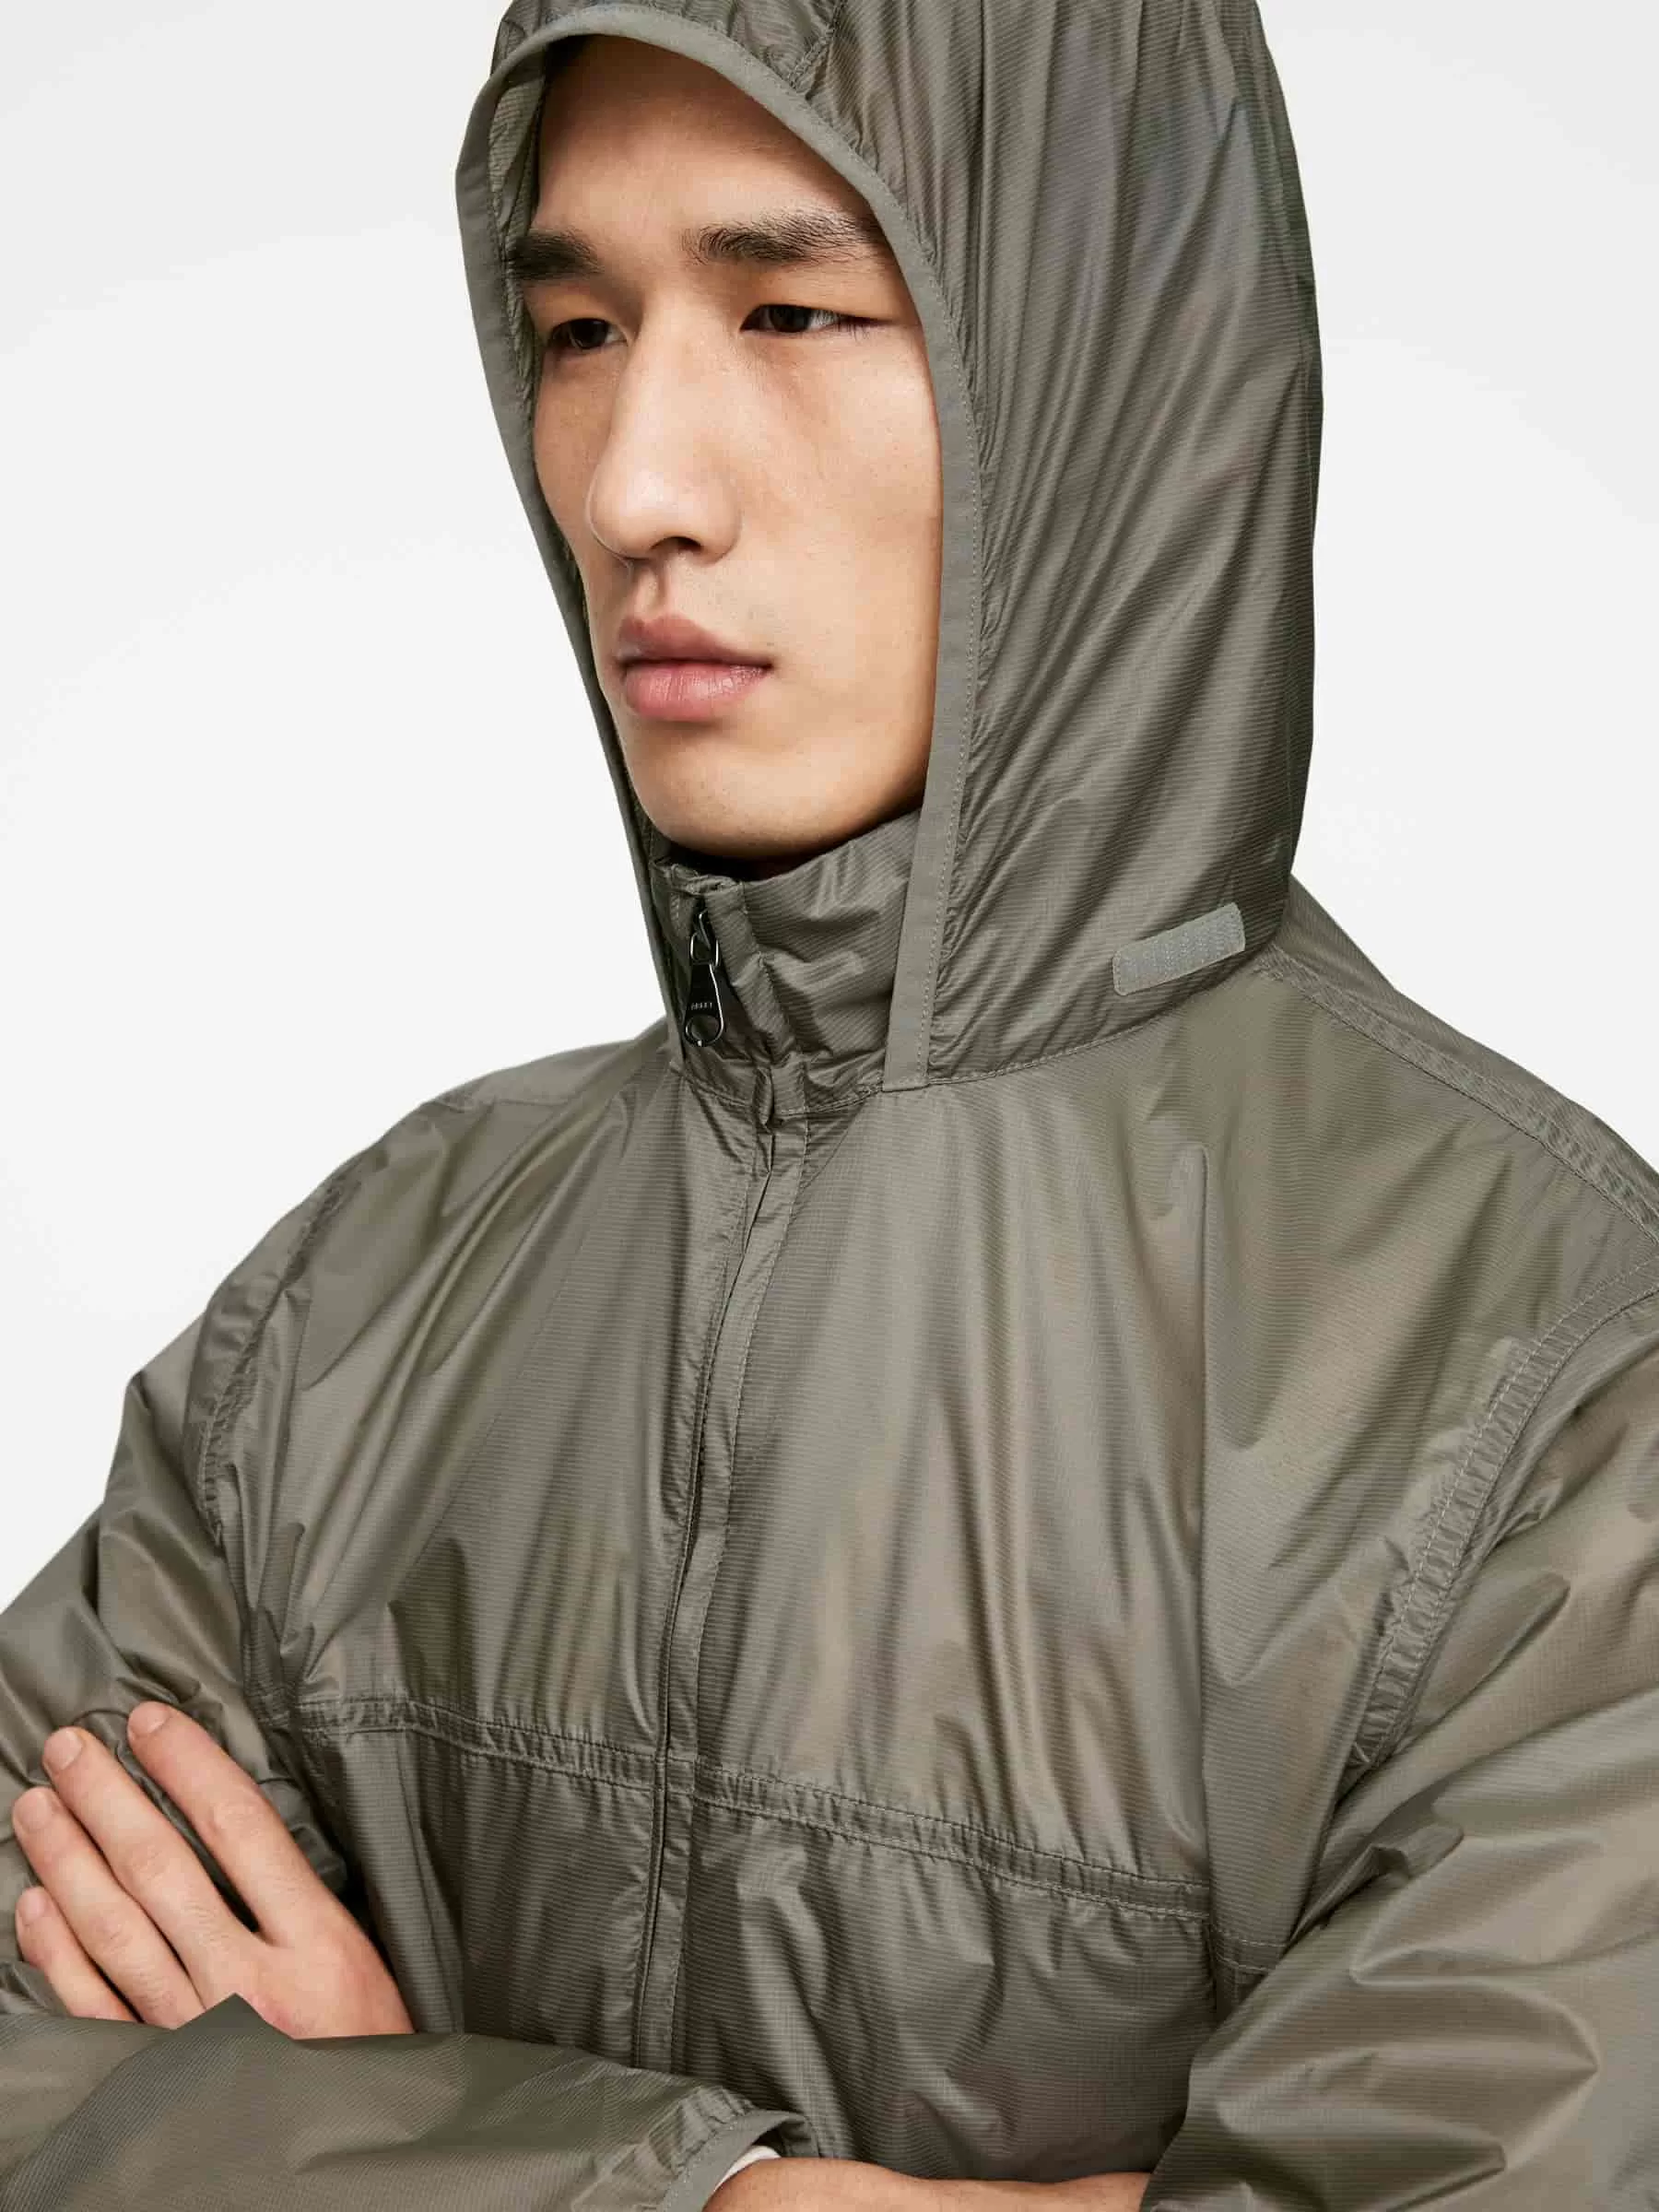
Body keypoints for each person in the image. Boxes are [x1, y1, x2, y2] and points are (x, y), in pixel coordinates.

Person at [4, 4, 1657, 2207]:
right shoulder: (357, 1312)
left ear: (1095, 376)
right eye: (578, 330)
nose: (634, 488)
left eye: (792, 312)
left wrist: (339, 2143)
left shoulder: (1555, 1383)